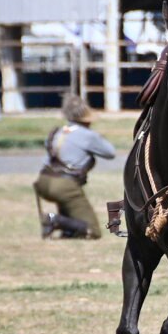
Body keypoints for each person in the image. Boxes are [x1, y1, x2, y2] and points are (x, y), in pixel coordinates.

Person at [33, 94, 116, 239]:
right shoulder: (88, 135)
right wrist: (96, 138)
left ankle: (68, 230)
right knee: (93, 231)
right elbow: (110, 152)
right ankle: (54, 219)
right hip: (65, 185)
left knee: (70, 205)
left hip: (43, 181)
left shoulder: (58, 132)